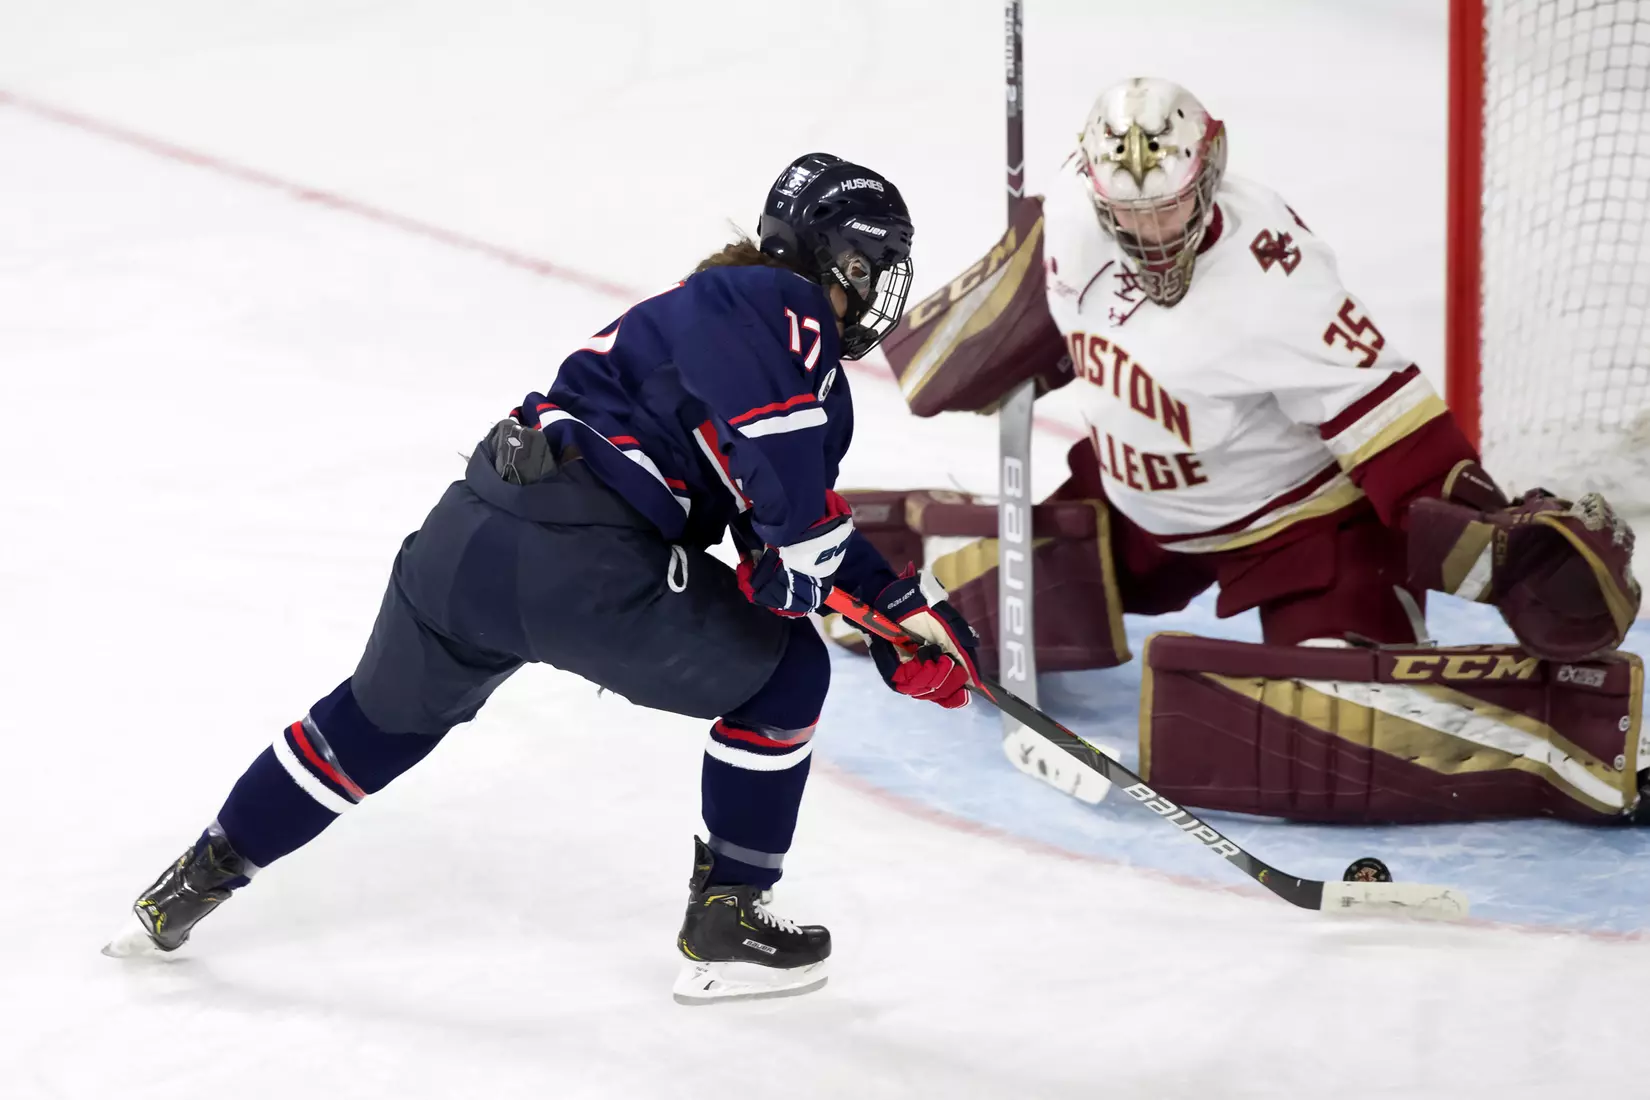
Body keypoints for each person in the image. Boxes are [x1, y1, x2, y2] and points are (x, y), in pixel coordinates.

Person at [104, 152, 982, 1005]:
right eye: (877, 268)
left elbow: (777, 535)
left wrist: (899, 614)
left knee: (372, 725)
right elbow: (792, 521)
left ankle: (193, 882)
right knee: (787, 675)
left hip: (470, 535)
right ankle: (730, 920)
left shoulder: (705, 321)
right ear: (849, 257)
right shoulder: (772, 305)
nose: (877, 292)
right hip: (590, 562)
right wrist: (863, 600)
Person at [864, 79, 1643, 825]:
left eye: (1170, 209)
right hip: (1135, 511)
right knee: (974, 598)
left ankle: (1565, 740)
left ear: (1211, 169)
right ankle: (869, 586)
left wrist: (1494, 540)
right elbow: (992, 347)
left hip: (1301, 533)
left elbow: (1397, 432)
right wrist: (978, 331)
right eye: (1127, 214)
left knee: (1341, 706)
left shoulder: (1282, 280)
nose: (1151, 236)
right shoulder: (1069, 216)